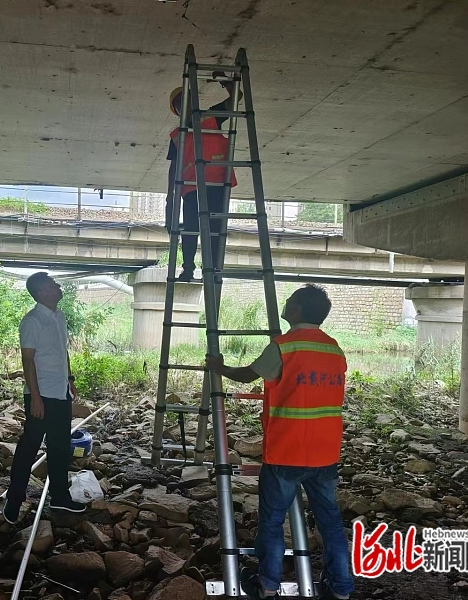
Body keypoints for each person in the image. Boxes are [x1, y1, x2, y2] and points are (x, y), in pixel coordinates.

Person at [206, 285, 353, 600]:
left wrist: (219, 368)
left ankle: (268, 585)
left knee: (272, 523)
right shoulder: (334, 348)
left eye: (290, 301)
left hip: (287, 450)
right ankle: (341, 588)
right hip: (325, 452)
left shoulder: (284, 346)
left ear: (298, 310)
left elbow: (248, 375)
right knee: (330, 521)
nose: (285, 303)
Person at [3, 272, 87, 523]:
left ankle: (60, 497)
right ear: (41, 293)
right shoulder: (32, 321)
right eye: (52, 284)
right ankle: (14, 500)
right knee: (29, 447)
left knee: (60, 447)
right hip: (41, 395)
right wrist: (35, 397)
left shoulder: (58, 316)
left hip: (59, 392)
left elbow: (62, 352)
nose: (58, 286)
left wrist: (69, 379)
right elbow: (27, 360)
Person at [166, 77, 239, 282]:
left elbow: (237, 98)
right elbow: (173, 169)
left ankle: (215, 270)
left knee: (215, 231)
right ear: (176, 110)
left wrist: (227, 82)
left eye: (186, 101)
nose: (184, 107)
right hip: (191, 189)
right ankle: (188, 268)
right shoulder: (176, 136)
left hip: (216, 186)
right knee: (190, 231)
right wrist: (170, 199)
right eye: (179, 104)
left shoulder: (210, 118)